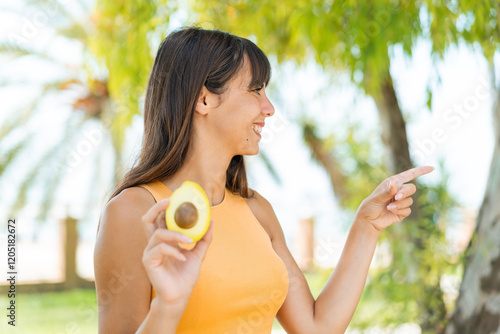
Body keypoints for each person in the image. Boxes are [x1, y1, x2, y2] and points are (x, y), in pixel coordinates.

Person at [93, 26, 434, 334]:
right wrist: (168, 305)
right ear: (204, 98)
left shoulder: (256, 210)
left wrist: (366, 226)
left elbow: (317, 328)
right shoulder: (134, 212)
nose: (269, 108)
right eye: (255, 90)